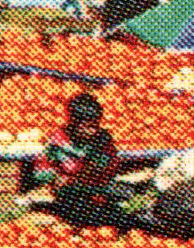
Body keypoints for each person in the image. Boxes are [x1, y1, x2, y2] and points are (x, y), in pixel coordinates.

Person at [36, 87, 129, 229]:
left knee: (124, 200)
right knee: (78, 206)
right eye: (87, 126)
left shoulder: (103, 138)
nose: (93, 131)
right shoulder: (59, 140)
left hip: (99, 188)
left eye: (95, 125)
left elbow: (109, 165)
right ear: (74, 122)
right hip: (71, 192)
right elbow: (42, 170)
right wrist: (56, 178)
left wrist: (97, 179)